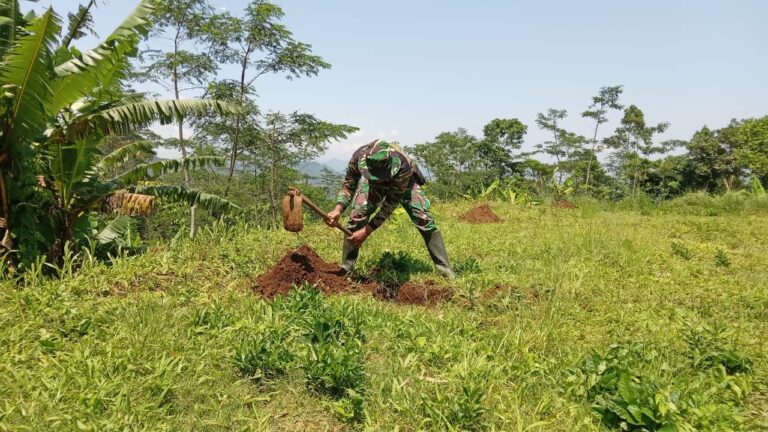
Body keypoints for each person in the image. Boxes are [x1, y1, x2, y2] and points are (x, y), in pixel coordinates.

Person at [326, 139, 456, 278]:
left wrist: (367, 230)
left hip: (406, 184)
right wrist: (338, 209)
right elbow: (349, 184)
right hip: (372, 185)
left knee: (424, 220)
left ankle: (446, 272)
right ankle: (346, 270)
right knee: (356, 218)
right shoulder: (358, 157)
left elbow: (390, 204)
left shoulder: (402, 166)